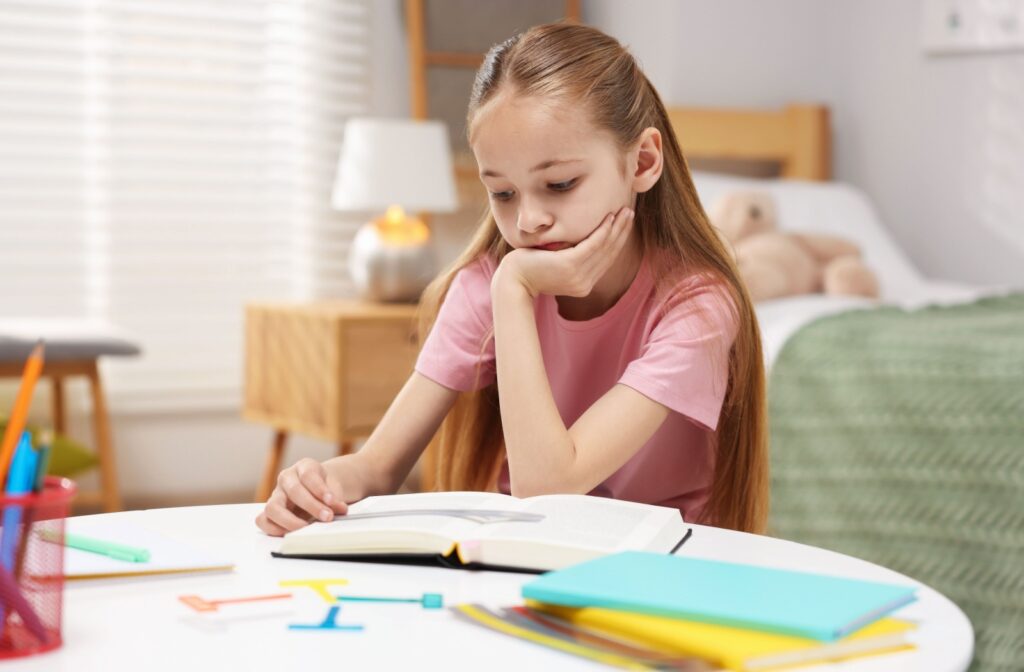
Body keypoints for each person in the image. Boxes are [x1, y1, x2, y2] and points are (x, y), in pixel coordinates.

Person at [256, 22, 768, 537]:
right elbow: (377, 467)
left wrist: (515, 287)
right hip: (533, 551)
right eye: (502, 193)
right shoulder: (486, 285)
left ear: (643, 161)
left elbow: (550, 486)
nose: (528, 221)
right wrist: (315, 485)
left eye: (560, 184)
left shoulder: (696, 306)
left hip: (670, 559)